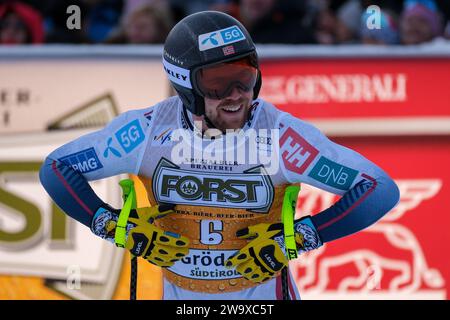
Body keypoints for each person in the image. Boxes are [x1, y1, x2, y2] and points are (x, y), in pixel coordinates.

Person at [40, 11, 400, 300]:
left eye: (244, 77)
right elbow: (57, 169)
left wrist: (304, 236)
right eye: (217, 84)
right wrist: (114, 225)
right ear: (185, 85)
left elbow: (378, 189)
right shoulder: (148, 130)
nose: (236, 95)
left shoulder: (279, 136)